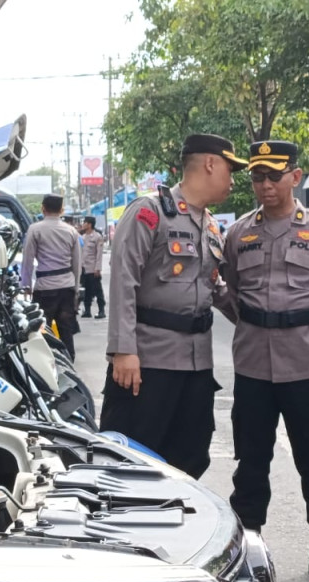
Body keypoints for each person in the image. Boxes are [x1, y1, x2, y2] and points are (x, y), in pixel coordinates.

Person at [223, 141, 309, 579]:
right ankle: (250, 545)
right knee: (251, 461)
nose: (265, 185)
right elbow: (233, 290)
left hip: (307, 363)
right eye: (257, 177)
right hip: (254, 362)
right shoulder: (239, 233)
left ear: (295, 177)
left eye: (274, 176)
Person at [101, 133, 244, 480]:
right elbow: (123, 279)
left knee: (190, 456)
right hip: (148, 362)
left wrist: (261, 323)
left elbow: (217, 288)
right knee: (133, 456)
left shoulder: (210, 225)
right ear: (210, 163)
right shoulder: (150, 212)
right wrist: (123, 351)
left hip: (196, 366)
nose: (233, 180)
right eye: (230, 169)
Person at [20, 195, 82, 361]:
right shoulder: (71, 231)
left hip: (44, 287)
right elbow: (77, 263)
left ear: (43, 208)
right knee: (66, 330)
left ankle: (47, 363)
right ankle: (69, 361)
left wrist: (25, 285)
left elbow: (27, 260)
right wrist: (75, 288)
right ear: (62, 210)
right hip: (66, 287)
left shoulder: (35, 229)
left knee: (42, 329)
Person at [80, 216, 107, 319]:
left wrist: (98, 268)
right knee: (86, 291)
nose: (83, 225)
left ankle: (101, 310)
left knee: (97, 290)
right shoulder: (82, 237)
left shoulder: (97, 237)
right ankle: (87, 310)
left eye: (85, 223)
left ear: (90, 224)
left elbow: (99, 254)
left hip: (93, 269)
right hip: (84, 269)